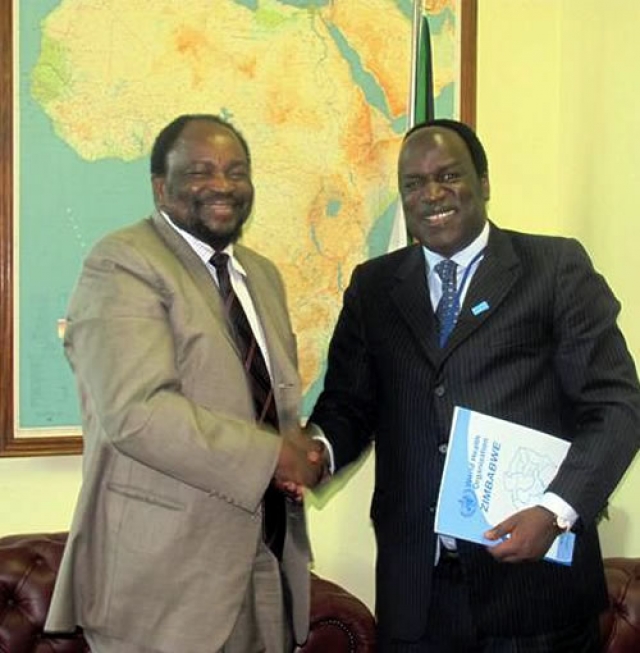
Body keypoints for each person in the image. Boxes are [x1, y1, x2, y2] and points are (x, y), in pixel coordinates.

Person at [309, 118, 640, 652]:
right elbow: (350, 404)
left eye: (448, 176)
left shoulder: (553, 269)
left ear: (483, 183)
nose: (431, 194)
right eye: (413, 184)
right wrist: (314, 452)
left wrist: (556, 511)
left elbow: (617, 406)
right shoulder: (373, 288)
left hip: (536, 591)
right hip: (418, 595)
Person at [44, 114, 322, 653]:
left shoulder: (260, 275)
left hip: (264, 567)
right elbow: (137, 412)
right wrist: (271, 457)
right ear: (160, 187)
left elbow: (267, 406)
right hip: (164, 588)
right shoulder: (122, 263)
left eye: (236, 171)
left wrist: (304, 453)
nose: (222, 185)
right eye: (200, 171)